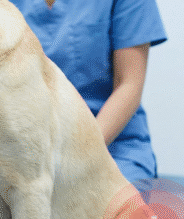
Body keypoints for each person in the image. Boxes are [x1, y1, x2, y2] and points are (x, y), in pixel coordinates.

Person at [9, 0, 168, 183]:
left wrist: (78, 155)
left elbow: (129, 84)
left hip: (111, 143)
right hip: (21, 145)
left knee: (111, 206)